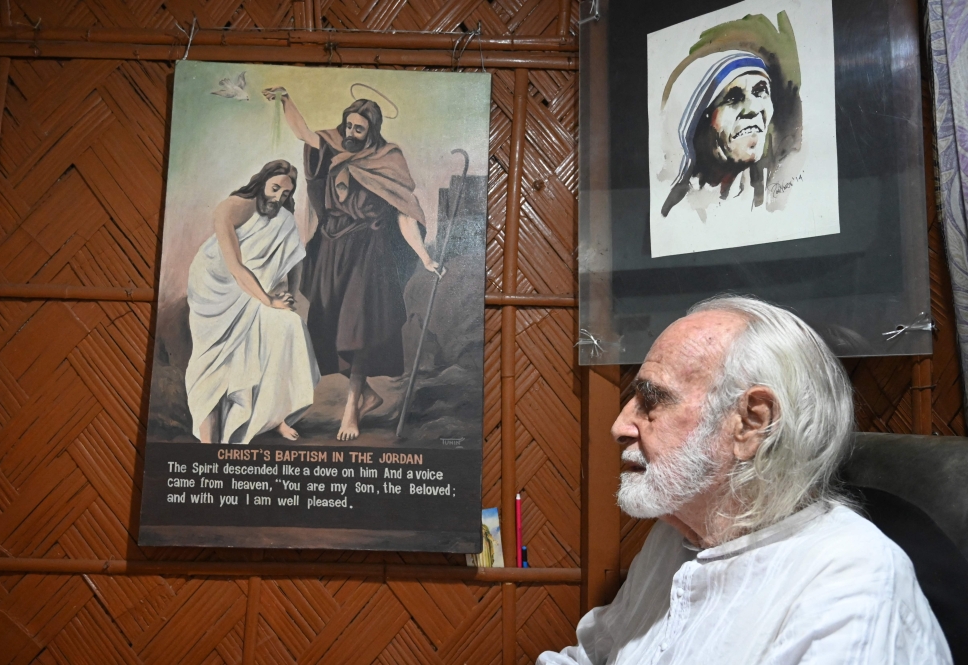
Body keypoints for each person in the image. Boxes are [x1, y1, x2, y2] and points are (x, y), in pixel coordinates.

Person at [538, 296, 951, 664]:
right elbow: (590, 657)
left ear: (752, 423)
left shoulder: (851, 580)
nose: (620, 426)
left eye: (651, 400)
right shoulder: (673, 537)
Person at [264, 87, 440, 441]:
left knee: (356, 330)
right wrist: (286, 98)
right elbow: (303, 132)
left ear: (371, 131)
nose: (350, 133)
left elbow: (405, 214)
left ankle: (351, 410)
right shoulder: (331, 146)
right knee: (328, 329)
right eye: (348, 125)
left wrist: (425, 257)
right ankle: (367, 396)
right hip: (330, 250)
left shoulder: (387, 160)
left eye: (359, 129)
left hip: (368, 251)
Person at [184, 160, 320, 444]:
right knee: (213, 364)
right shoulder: (229, 208)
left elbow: (295, 260)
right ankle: (209, 442)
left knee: (288, 326)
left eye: (285, 194)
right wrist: (268, 300)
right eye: (274, 189)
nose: (277, 198)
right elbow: (235, 268)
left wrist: (288, 297)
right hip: (214, 289)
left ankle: (275, 417)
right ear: (261, 182)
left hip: (255, 292)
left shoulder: (282, 220)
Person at [662, 52, 776, 217]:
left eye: (760, 91)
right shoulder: (678, 213)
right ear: (699, 120)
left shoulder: (767, 195)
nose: (754, 107)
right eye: (733, 97)